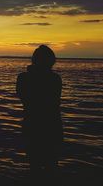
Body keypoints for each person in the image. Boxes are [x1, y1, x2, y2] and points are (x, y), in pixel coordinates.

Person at [16, 45, 63, 181]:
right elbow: (53, 102)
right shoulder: (54, 79)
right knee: (51, 166)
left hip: (32, 124)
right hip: (52, 125)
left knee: (34, 167)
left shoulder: (23, 78)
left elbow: (24, 98)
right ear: (51, 61)